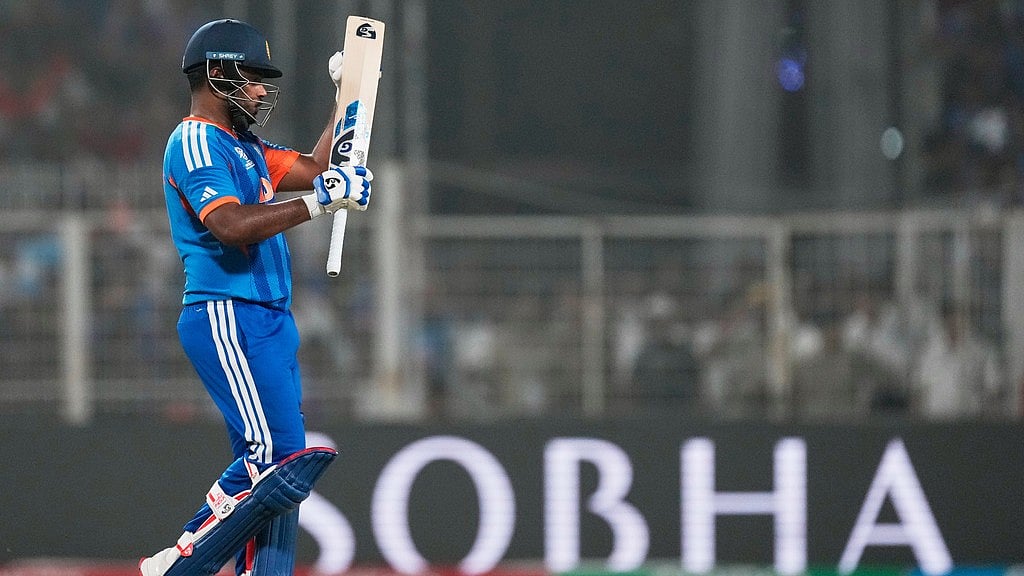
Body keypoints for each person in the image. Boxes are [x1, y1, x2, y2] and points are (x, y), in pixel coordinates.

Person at [139, 19, 374, 576]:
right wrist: (321, 204)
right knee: (275, 461)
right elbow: (229, 226)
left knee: (281, 463)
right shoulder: (194, 140)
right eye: (253, 77)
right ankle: (183, 558)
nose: (264, 89)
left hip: (266, 316)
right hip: (227, 312)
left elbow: (319, 170)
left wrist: (349, 98)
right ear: (216, 74)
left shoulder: (244, 146)